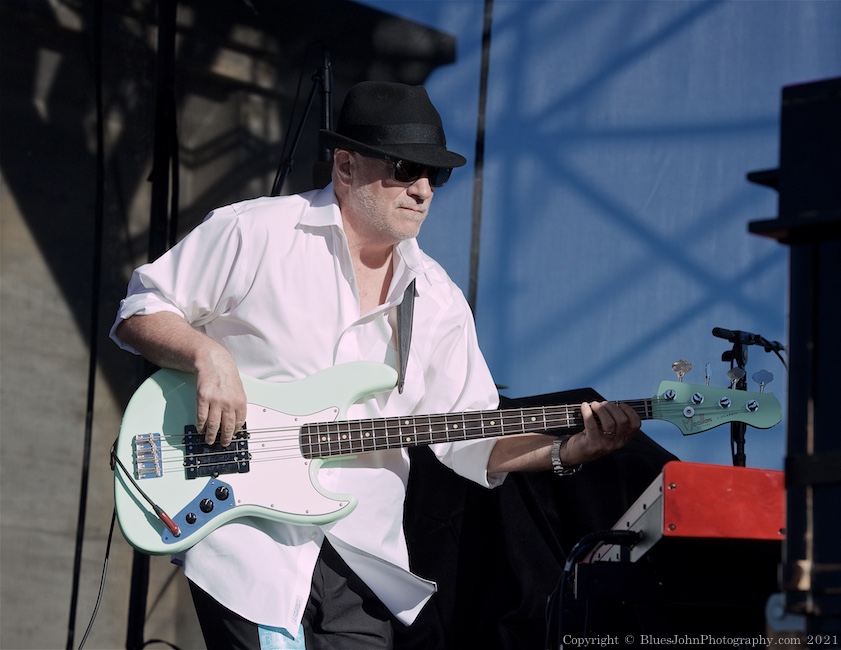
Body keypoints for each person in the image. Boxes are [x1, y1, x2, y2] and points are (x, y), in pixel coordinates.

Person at [111, 81, 640, 650]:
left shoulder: (438, 299)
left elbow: (472, 436)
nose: (422, 190)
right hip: (248, 538)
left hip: (363, 564)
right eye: (405, 168)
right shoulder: (257, 230)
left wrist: (566, 452)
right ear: (345, 166)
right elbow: (141, 309)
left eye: (434, 176)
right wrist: (207, 355)